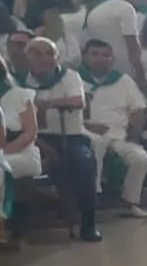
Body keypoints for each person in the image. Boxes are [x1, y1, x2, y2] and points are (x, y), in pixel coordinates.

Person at [16, 37, 99, 239]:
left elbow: (77, 101)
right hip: (31, 139)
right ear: (27, 58)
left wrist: (44, 104)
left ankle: (88, 224)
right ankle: (16, 226)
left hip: (69, 136)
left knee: (84, 162)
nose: (44, 58)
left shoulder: (70, 76)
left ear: (57, 57)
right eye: (36, 53)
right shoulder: (17, 80)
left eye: (49, 53)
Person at [78, 39, 147, 219]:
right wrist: (87, 125)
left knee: (140, 158)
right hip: (83, 131)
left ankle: (130, 202)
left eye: (105, 55)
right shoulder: (74, 78)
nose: (100, 59)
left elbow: (138, 109)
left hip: (118, 134)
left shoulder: (123, 80)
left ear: (112, 59)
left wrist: (134, 134)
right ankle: (92, 198)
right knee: (97, 143)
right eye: (95, 54)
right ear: (85, 56)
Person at [82, 0, 147, 87]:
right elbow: (132, 44)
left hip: (101, 69)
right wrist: (140, 73)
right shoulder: (125, 8)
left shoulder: (94, 11)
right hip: (126, 69)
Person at [0, 56, 39, 239]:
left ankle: (3, 225)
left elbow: (30, 133)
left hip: (22, 152)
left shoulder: (18, 95)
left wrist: (3, 152)